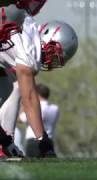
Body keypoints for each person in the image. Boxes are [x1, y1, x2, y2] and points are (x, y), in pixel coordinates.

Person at [0, 2, 78, 158]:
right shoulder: (30, 47)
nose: (52, 61)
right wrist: (43, 141)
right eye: (54, 54)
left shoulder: (25, 22)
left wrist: (5, 140)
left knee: (10, 86)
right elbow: (29, 98)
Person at [20, 84, 60, 157]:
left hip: (33, 141)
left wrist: (25, 106)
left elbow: (21, 119)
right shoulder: (55, 108)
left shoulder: (34, 108)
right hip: (49, 141)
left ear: (37, 94)